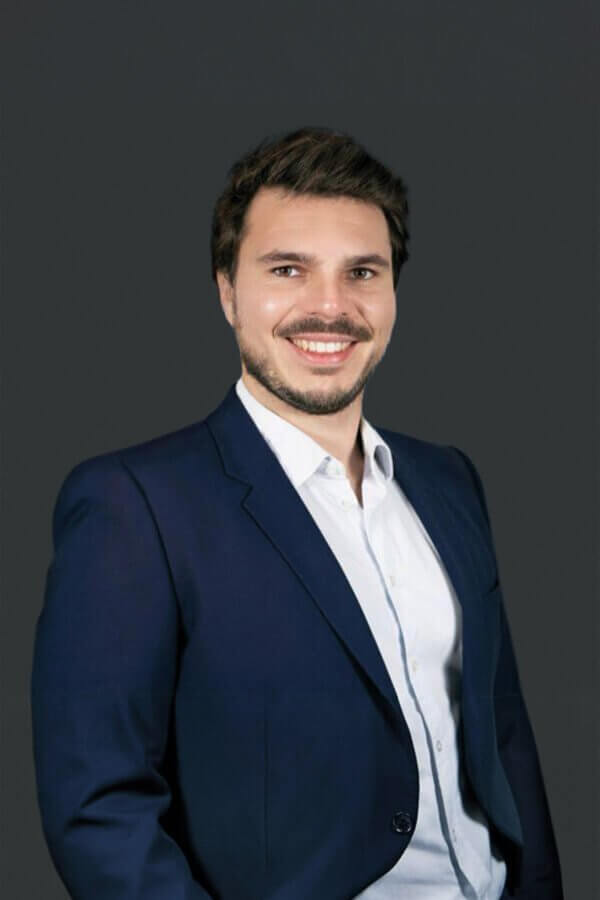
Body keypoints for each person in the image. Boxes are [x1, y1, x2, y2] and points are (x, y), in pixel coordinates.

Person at [31, 126, 563, 899]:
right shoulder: (134, 505)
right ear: (227, 291)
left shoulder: (449, 482)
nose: (330, 306)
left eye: (362, 272)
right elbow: (98, 806)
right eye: (288, 269)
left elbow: (503, 738)